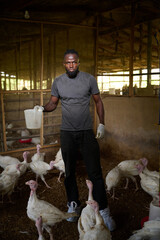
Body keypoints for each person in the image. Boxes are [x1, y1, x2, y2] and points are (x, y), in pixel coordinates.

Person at [42, 49, 116, 231]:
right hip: (67, 133)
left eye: (74, 62)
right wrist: (41, 108)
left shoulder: (89, 79)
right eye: (68, 62)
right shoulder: (58, 81)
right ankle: (73, 204)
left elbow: (98, 101)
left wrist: (102, 124)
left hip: (86, 132)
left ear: (78, 62)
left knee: (95, 172)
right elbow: (53, 103)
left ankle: (103, 210)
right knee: (69, 171)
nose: (71, 65)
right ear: (64, 64)